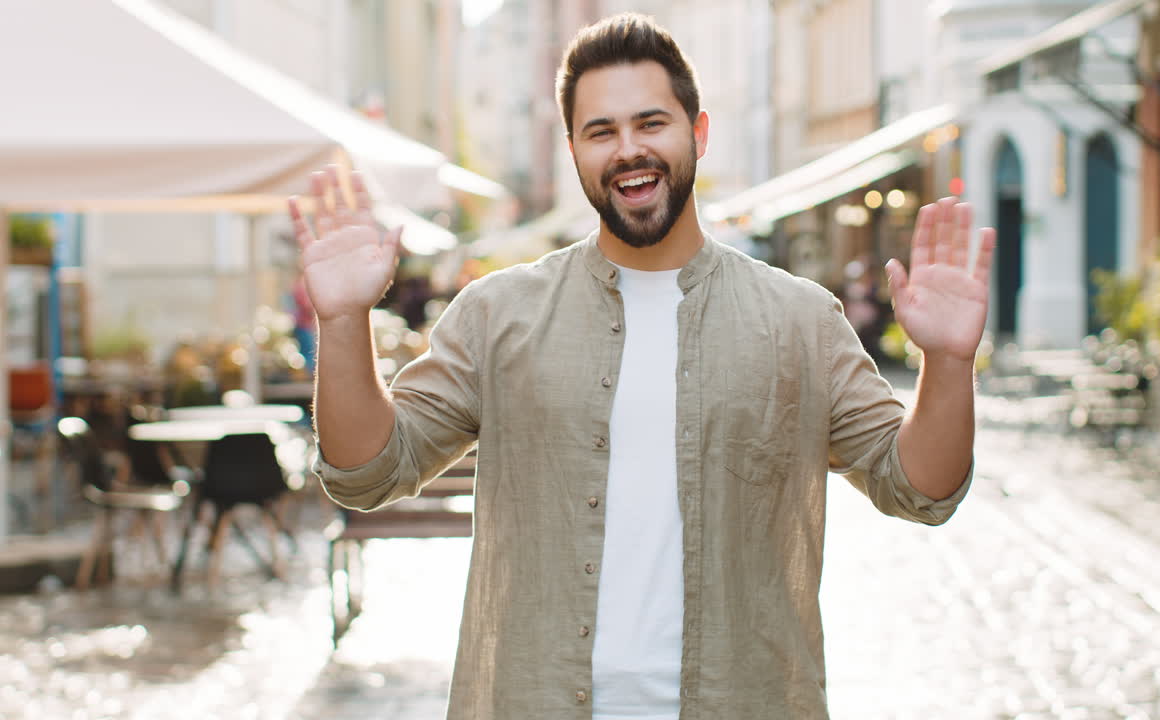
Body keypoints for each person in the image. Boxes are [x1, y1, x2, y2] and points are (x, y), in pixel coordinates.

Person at [289, 13, 994, 720]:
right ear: (573, 150)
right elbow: (367, 473)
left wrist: (949, 360)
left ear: (699, 131)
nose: (629, 150)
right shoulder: (497, 313)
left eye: (651, 123)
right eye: (602, 132)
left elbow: (920, 489)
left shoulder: (801, 320)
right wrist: (343, 320)